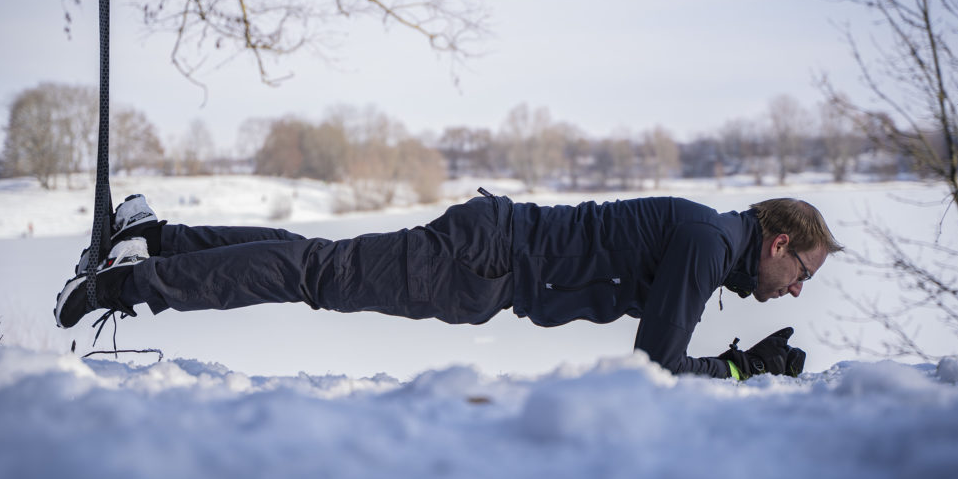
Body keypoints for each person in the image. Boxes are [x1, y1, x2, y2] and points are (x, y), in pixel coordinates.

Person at [55, 191, 843, 380]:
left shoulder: (712, 236)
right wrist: (741, 368)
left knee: (316, 261)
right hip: (488, 262)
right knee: (316, 272)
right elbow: (658, 369)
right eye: (801, 273)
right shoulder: (709, 244)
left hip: (491, 253)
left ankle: (151, 241)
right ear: (780, 241)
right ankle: (133, 284)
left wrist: (738, 361)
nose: (797, 289)